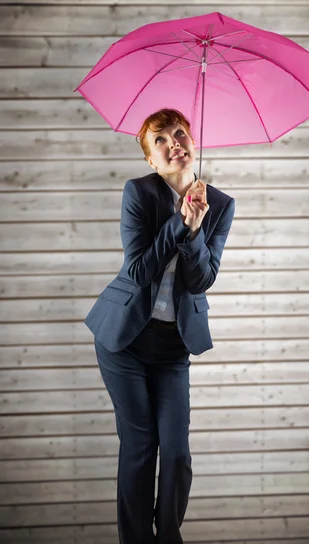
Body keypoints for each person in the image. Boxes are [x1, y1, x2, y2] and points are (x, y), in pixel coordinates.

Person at [84, 108, 235, 544]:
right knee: (140, 446)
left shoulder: (220, 204)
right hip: (124, 340)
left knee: (176, 452)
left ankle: (168, 536)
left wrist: (196, 232)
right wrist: (178, 224)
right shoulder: (139, 193)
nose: (175, 143)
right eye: (162, 140)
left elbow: (202, 280)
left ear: (193, 142)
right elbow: (137, 272)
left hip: (173, 348)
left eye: (181, 134)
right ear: (152, 159)